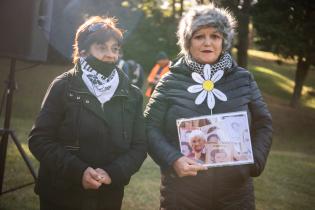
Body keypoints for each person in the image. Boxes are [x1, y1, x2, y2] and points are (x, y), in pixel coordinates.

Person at [144, 4, 272, 210]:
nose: (207, 43)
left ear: (224, 41)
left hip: (236, 194)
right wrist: (173, 159)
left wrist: (254, 161)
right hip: (182, 193)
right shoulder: (169, 81)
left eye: (215, 36)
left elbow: (264, 123)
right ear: (188, 41)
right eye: (199, 36)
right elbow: (149, 127)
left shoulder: (244, 79)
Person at [28, 16, 147, 210]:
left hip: (108, 197)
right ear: (83, 52)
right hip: (60, 196)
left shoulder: (132, 94)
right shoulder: (63, 86)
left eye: (114, 48)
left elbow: (139, 146)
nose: (110, 55)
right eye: (102, 47)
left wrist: (113, 173)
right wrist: (79, 172)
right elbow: (39, 140)